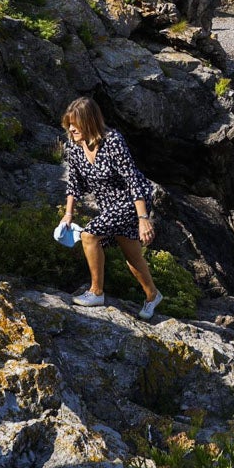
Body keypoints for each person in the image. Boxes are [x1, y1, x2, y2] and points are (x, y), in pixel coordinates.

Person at [57, 96, 162, 318]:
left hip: (131, 201)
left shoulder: (113, 141)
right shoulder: (74, 147)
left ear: (89, 122)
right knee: (131, 253)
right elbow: (73, 183)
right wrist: (68, 214)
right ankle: (152, 295)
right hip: (109, 204)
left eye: (76, 124)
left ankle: (96, 292)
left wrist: (143, 218)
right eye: (69, 124)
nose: (72, 129)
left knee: (89, 235)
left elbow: (133, 179)